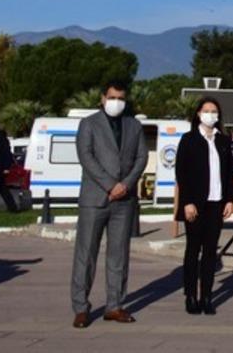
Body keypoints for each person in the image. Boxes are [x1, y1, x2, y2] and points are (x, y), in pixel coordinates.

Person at [70, 80, 149, 329]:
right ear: (103, 98)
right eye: (113, 97)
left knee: (119, 255)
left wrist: (125, 184)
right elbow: (86, 156)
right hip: (95, 198)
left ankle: (114, 305)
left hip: (123, 201)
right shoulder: (88, 124)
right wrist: (109, 184)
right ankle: (81, 308)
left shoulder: (134, 125)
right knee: (86, 254)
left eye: (121, 98)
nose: (117, 102)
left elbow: (141, 157)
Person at [173, 97, 233, 315]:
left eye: (214, 111)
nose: (211, 114)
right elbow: (182, 172)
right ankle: (191, 296)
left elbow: (228, 174)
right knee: (193, 250)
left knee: (210, 252)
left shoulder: (223, 141)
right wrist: (187, 202)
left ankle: (207, 297)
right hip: (195, 204)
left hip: (216, 203)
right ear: (198, 114)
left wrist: (229, 200)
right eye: (207, 110)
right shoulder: (189, 139)